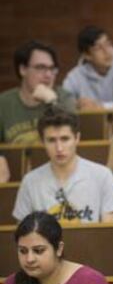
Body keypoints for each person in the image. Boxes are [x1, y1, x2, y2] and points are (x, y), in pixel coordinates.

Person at [13, 107, 113, 223]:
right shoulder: (30, 181)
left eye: (65, 139)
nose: (59, 148)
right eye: (51, 140)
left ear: (77, 138)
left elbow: (109, 232)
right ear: (43, 142)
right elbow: (22, 233)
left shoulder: (103, 176)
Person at [0, 40, 76, 183]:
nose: (48, 75)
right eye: (41, 68)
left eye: (52, 69)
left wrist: (52, 102)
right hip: (16, 179)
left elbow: (72, 133)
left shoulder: (63, 98)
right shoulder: (3, 103)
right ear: (22, 69)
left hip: (60, 178)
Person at [63, 26, 113, 111]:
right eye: (98, 48)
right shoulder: (75, 76)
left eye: (108, 44)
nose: (107, 51)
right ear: (87, 55)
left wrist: (99, 106)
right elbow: (63, 104)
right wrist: (76, 105)